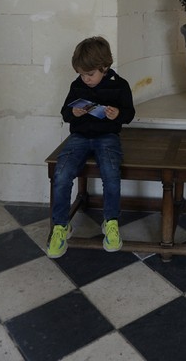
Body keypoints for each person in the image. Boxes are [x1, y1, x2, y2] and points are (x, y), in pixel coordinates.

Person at [47, 36, 135, 259]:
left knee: (111, 173)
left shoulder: (120, 85)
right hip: (79, 137)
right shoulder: (77, 86)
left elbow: (129, 114)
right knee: (62, 173)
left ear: (104, 67)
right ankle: (60, 226)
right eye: (81, 74)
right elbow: (65, 112)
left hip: (107, 137)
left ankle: (111, 222)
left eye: (90, 74)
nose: (85, 79)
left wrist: (118, 114)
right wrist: (73, 112)